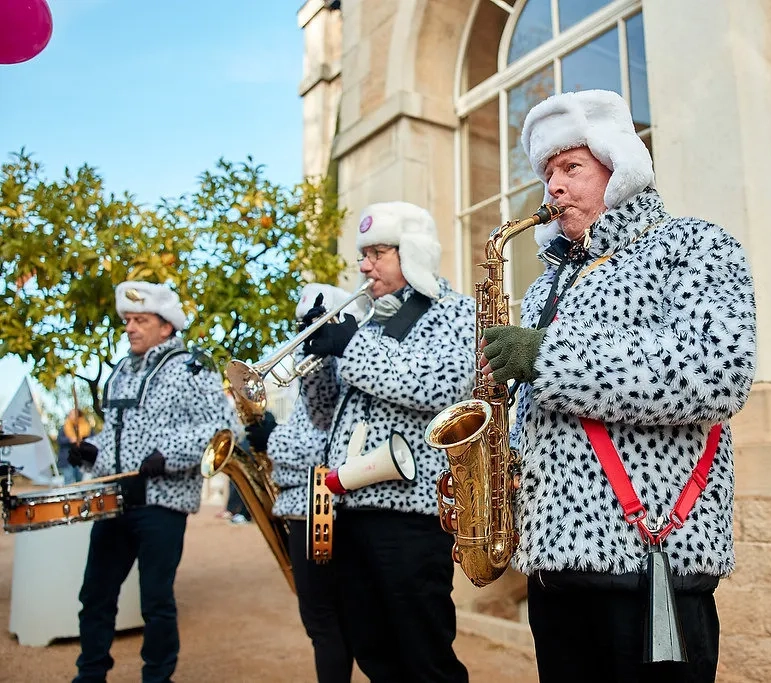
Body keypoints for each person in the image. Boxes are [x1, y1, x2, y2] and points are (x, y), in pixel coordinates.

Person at [480, 90, 757, 683]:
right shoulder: (543, 287)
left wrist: (546, 357)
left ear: (621, 167)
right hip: (554, 568)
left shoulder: (695, 244)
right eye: (547, 172)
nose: (553, 187)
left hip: (648, 562)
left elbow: (716, 373)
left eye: (571, 167)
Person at [296, 202, 474, 682]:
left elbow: (441, 385)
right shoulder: (368, 323)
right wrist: (316, 360)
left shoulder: (456, 312)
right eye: (363, 254)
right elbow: (322, 414)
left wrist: (351, 344)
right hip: (352, 508)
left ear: (411, 252)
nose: (364, 265)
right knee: (370, 646)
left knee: (424, 652)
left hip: (412, 517)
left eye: (377, 252)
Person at [68, 281, 235, 683]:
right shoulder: (122, 371)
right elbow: (119, 436)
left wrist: (171, 456)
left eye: (141, 320)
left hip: (163, 505)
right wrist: (93, 451)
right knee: (94, 595)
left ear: (166, 326)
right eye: (127, 320)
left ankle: (157, 678)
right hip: (115, 500)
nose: (130, 328)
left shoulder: (193, 366)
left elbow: (222, 428)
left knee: (156, 601)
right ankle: (90, 675)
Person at [254, 284, 355, 683]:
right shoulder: (313, 371)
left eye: (308, 325)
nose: (301, 334)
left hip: (317, 508)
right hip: (307, 505)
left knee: (324, 621)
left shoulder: (333, 365)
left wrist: (271, 439)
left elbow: (324, 445)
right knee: (328, 623)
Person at [56, 409, 87, 484]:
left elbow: (92, 439)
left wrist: (82, 441)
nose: (71, 416)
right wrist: (70, 440)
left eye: (74, 414)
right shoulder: (64, 427)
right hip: (67, 458)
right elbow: (59, 440)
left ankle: (80, 494)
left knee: (79, 479)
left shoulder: (86, 427)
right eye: (71, 414)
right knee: (68, 479)